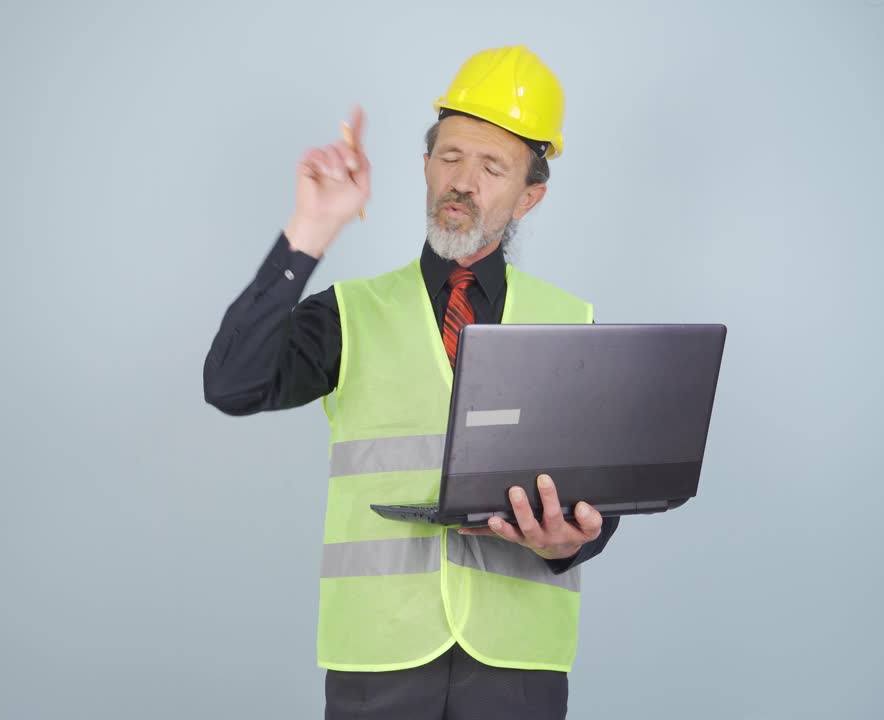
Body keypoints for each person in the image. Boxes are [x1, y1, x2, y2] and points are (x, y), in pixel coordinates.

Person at [204, 45, 620, 720]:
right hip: (379, 660)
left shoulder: (571, 322)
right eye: (450, 157)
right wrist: (313, 228)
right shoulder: (350, 314)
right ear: (425, 166)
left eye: (493, 167)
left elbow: (601, 500)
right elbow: (231, 383)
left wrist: (576, 539)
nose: (464, 181)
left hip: (516, 665)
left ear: (529, 195)